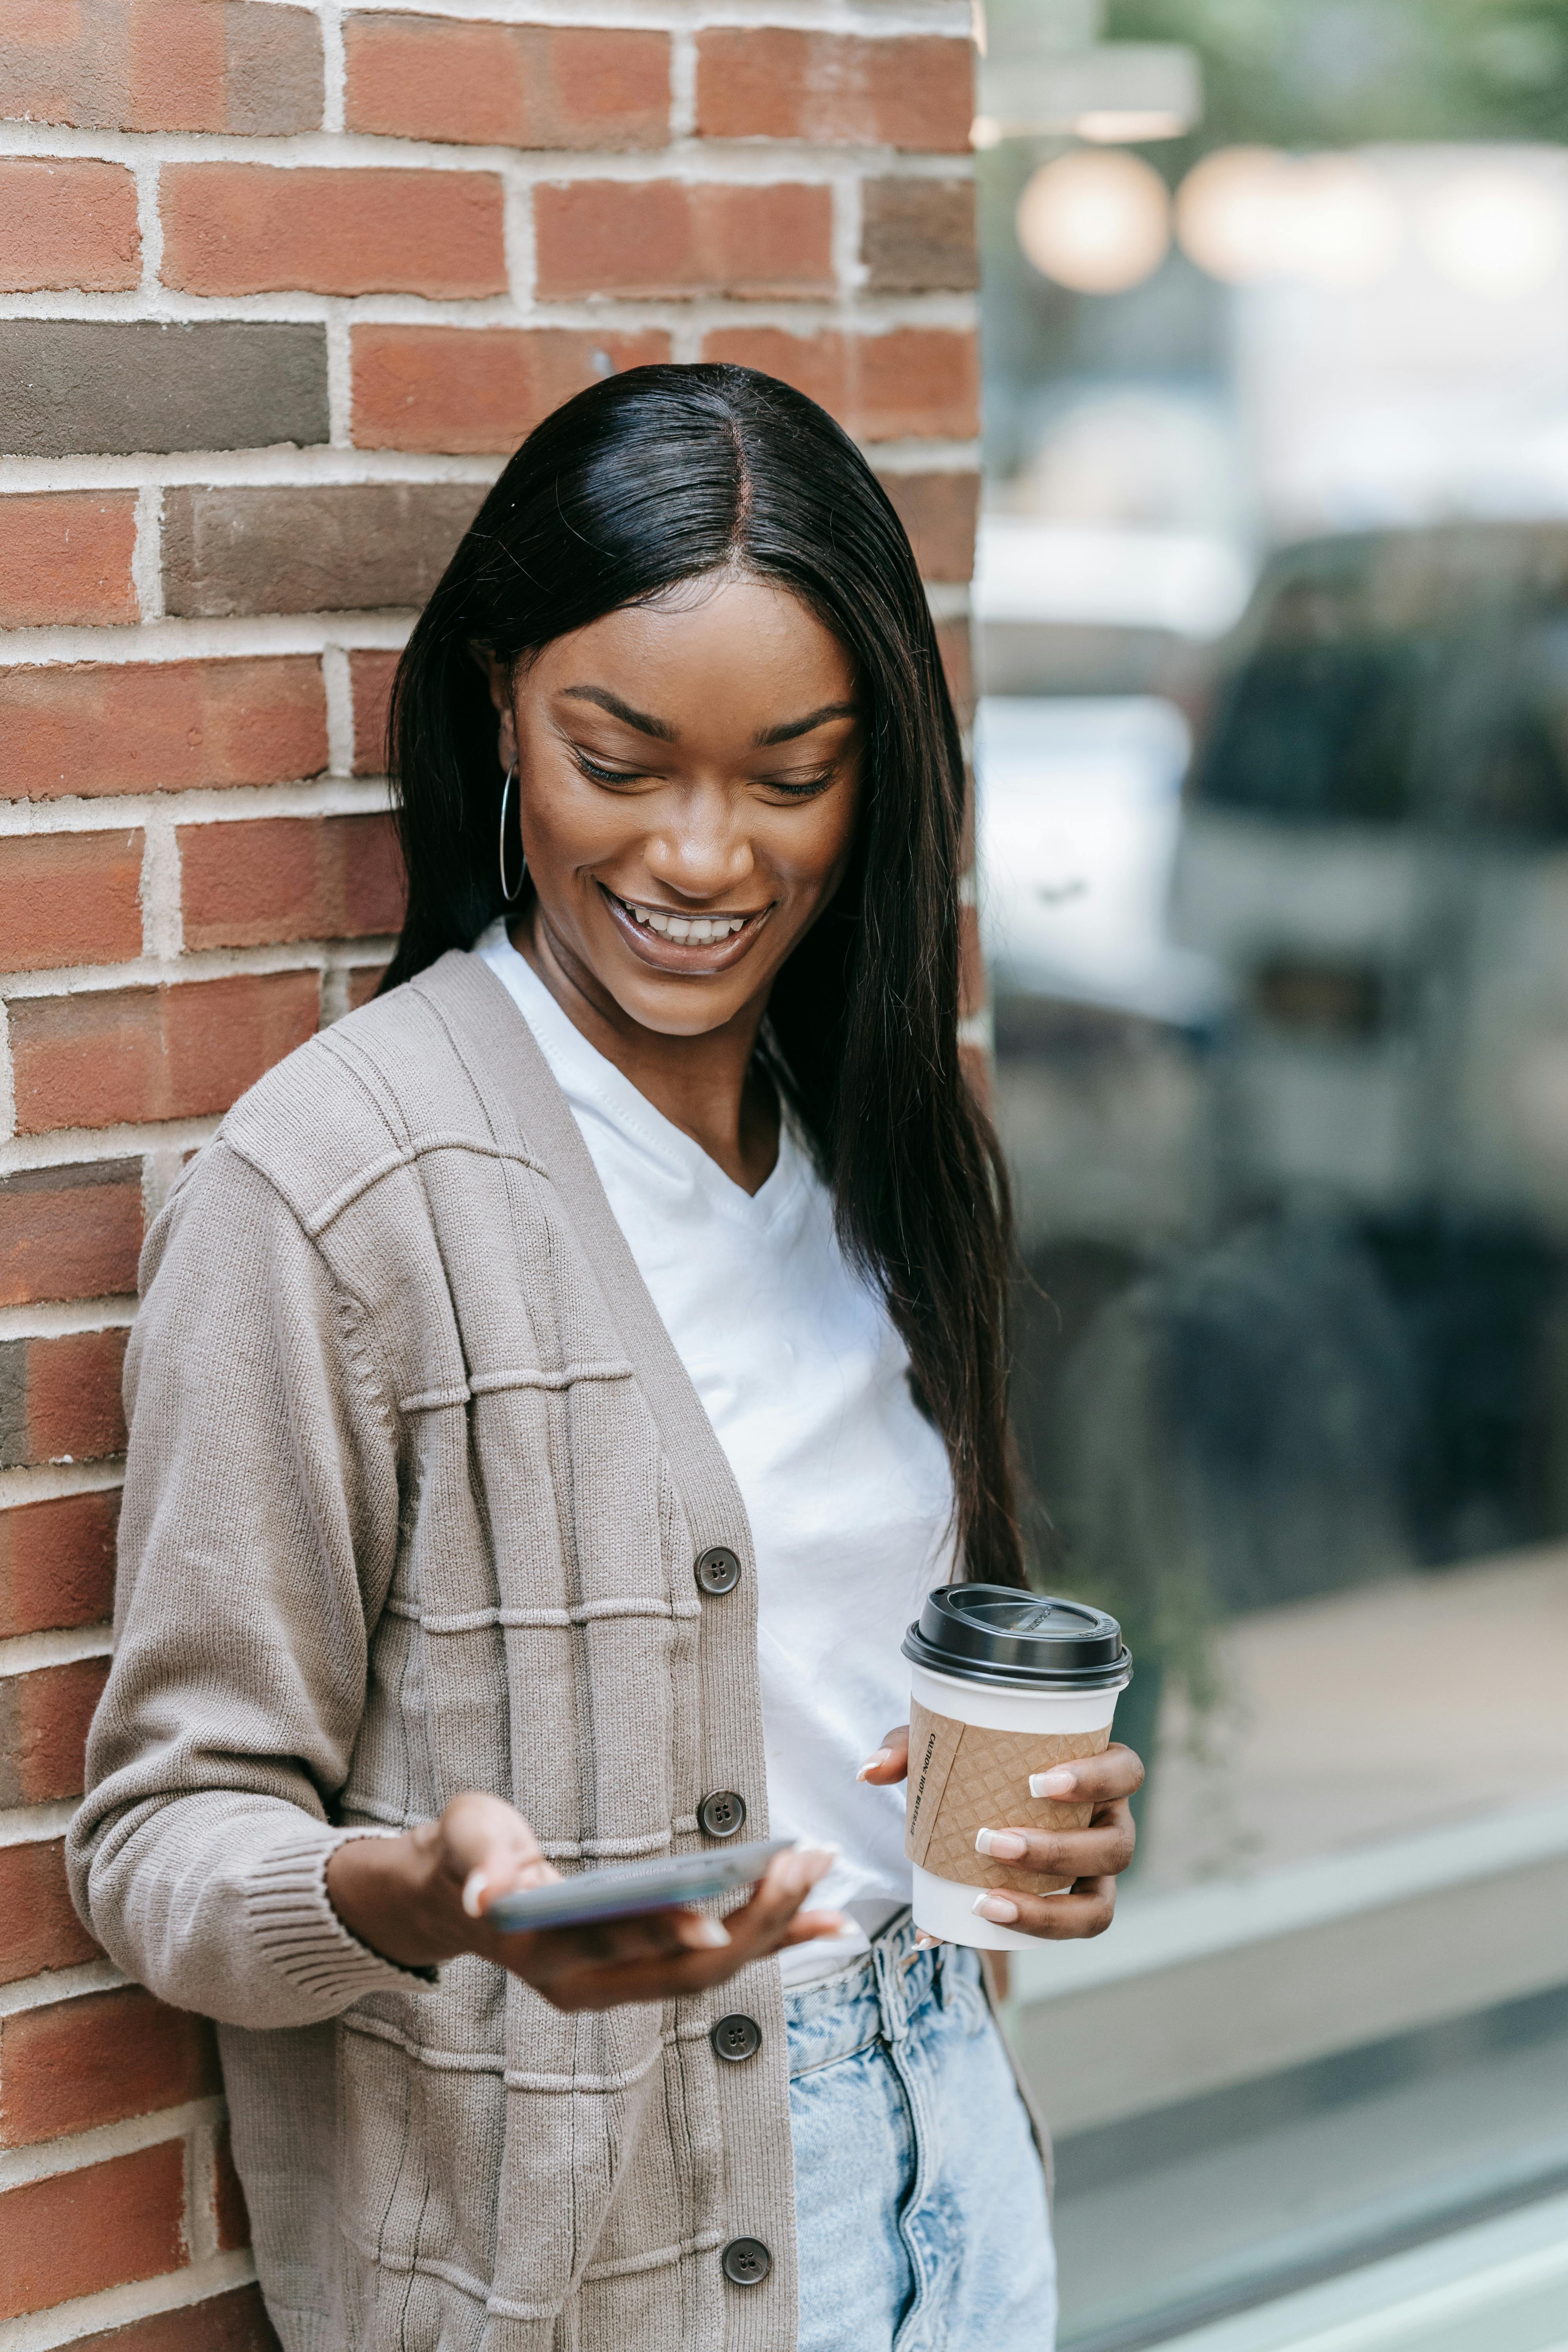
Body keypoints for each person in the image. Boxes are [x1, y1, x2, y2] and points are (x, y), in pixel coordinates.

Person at [69, 364, 1143, 2352]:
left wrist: (1039, 1833)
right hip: (607, 2273)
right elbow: (158, 1842)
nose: (707, 855)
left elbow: (867, 1699)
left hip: (949, 2163)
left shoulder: (884, 1150)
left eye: (791, 774)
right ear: (501, 709)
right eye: (619, 758)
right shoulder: (339, 1187)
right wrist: (419, 1900)